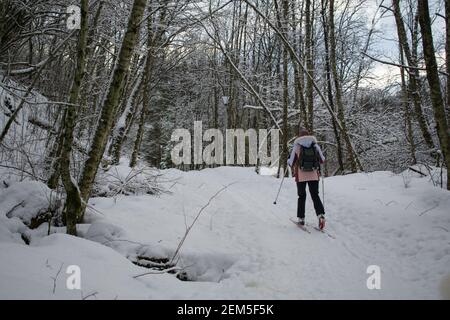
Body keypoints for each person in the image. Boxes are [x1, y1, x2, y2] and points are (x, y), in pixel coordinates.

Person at [287, 127, 326, 229]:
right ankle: (321, 215)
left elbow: (291, 162)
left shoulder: (297, 147)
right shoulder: (315, 146)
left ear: (299, 137)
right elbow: (322, 160)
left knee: (301, 196)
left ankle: (301, 218)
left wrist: (288, 160)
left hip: (301, 176)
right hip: (313, 174)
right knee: (315, 195)